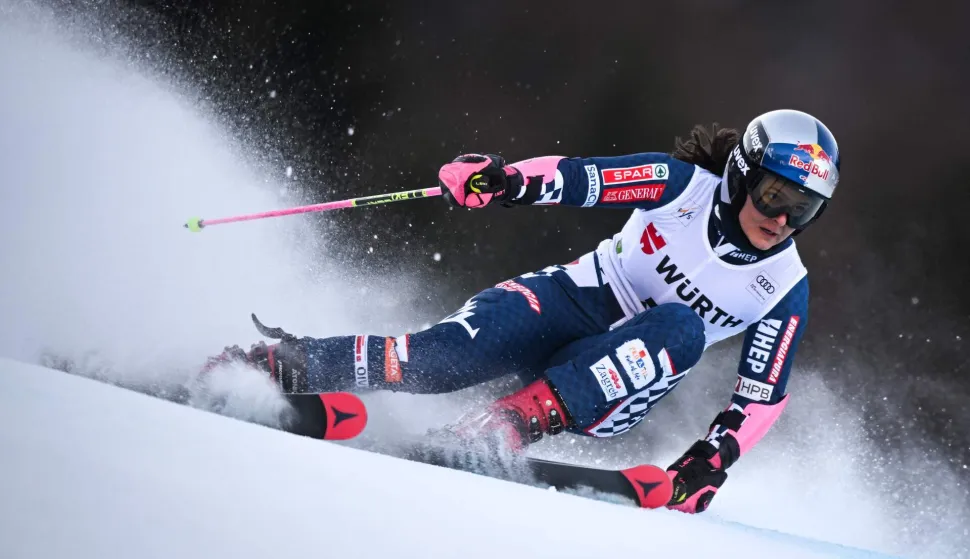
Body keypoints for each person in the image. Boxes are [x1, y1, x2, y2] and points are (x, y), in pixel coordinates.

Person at [208, 109, 840, 514]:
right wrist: (505, 183)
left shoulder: (784, 286)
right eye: (775, 194)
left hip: (615, 386)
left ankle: (502, 426)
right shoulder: (682, 186)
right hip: (568, 301)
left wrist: (709, 462)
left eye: (803, 209)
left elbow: (759, 397)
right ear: (740, 173)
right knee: (432, 361)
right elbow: (580, 177)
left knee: (682, 328)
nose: (781, 218)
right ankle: (280, 364)